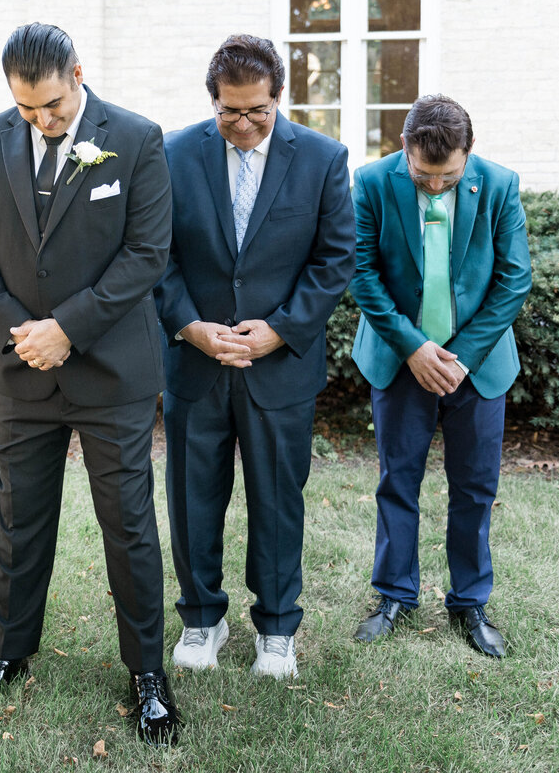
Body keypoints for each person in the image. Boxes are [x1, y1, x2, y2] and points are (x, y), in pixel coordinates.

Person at [0, 23, 179, 746]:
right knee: (17, 519)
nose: (40, 121)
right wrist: (23, 329)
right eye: (26, 109)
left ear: (78, 75)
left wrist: (68, 329)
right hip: (21, 366)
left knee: (130, 525)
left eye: (50, 106)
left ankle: (147, 673)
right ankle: (8, 653)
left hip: (112, 369)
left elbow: (147, 254)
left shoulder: (137, 139)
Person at [154, 34, 356, 679]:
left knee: (277, 500)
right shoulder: (174, 153)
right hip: (195, 363)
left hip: (281, 367)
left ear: (280, 98)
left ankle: (276, 629)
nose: (243, 125)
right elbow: (155, 254)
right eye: (229, 112)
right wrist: (189, 327)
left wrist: (279, 329)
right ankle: (201, 619)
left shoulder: (323, 158)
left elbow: (334, 260)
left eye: (257, 112)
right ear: (211, 101)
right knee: (192, 498)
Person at [348, 94, 531, 658]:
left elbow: (514, 278)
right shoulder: (373, 182)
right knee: (396, 480)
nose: (433, 186)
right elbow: (360, 270)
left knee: (475, 487)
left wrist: (461, 356)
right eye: (422, 175)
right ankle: (394, 595)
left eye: (447, 177)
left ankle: (469, 600)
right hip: (400, 360)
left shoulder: (499, 185)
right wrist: (413, 347)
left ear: (468, 156)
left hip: (476, 367)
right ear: (404, 148)